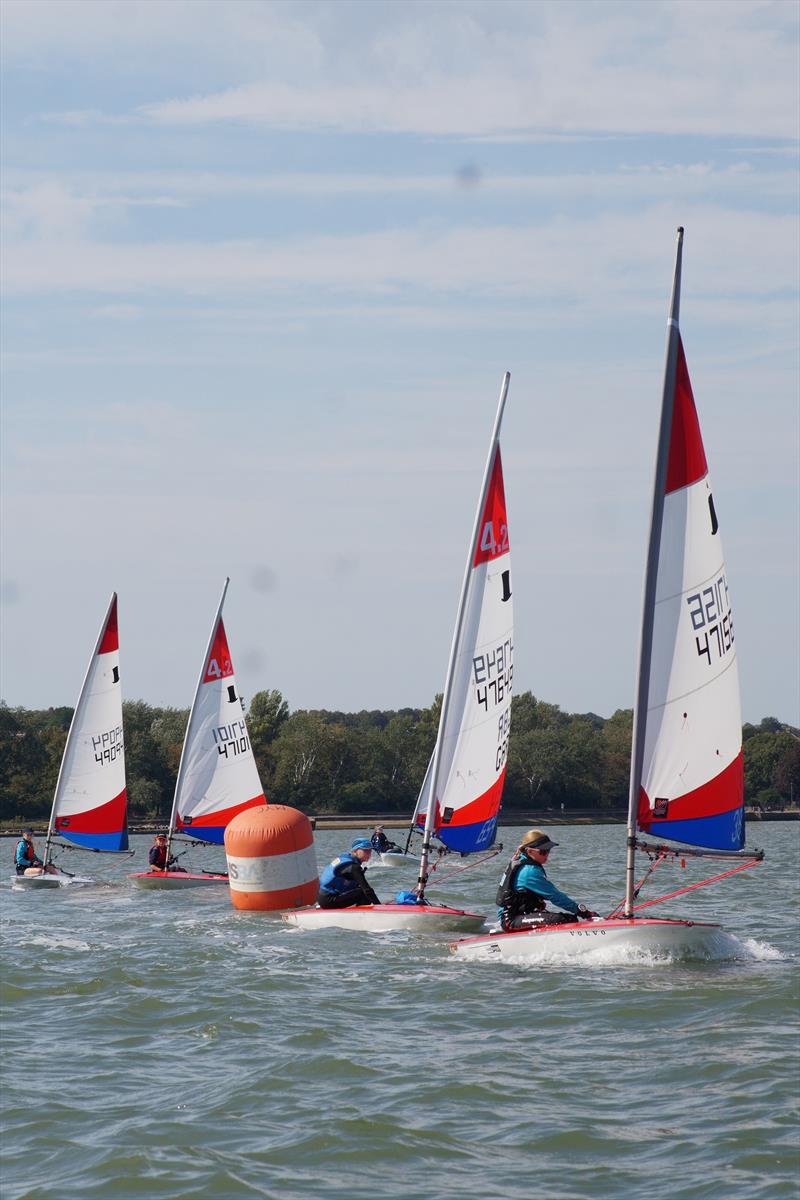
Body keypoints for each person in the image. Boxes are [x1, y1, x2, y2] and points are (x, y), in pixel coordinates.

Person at [496, 829, 596, 931]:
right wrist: (583, 912)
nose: (547, 854)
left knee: (567, 918)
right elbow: (555, 896)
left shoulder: (521, 860)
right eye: (543, 851)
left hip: (519, 915)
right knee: (566, 920)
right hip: (511, 920)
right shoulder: (529, 872)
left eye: (548, 850)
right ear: (530, 851)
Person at [318, 838, 382, 909]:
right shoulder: (353, 867)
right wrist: (380, 907)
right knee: (363, 893)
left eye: (370, 851)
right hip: (328, 900)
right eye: (365, 850)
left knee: (360, 890)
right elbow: (367, 890)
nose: (369, 853)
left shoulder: (348, 861)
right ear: (355, 851)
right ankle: (362, 916)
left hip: (326, 899)